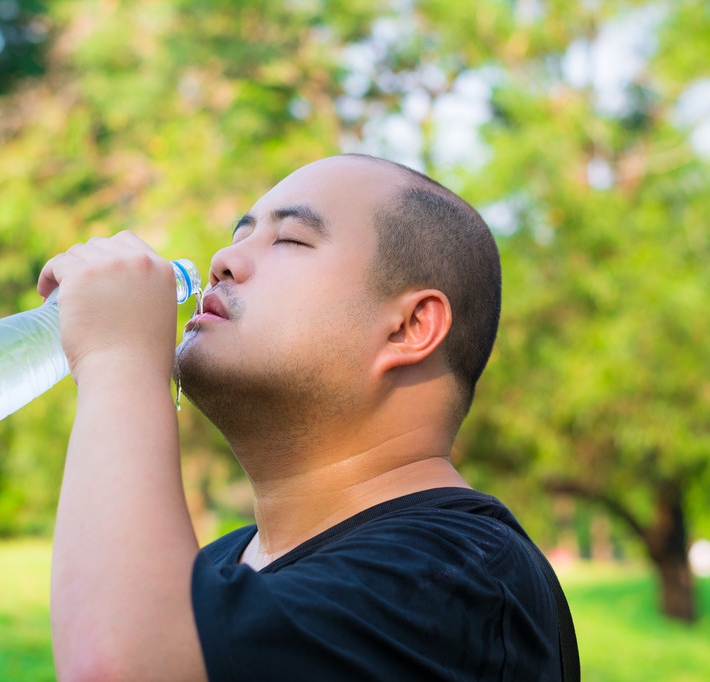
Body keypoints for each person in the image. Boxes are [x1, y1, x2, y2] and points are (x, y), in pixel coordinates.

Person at [38, 154, 575, 681]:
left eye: (290, 239)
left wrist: (120, 358)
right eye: (239, 233)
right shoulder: (220, 566)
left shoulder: (460, 576)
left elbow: (121, 667)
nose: (224, 259)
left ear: (410, 327)